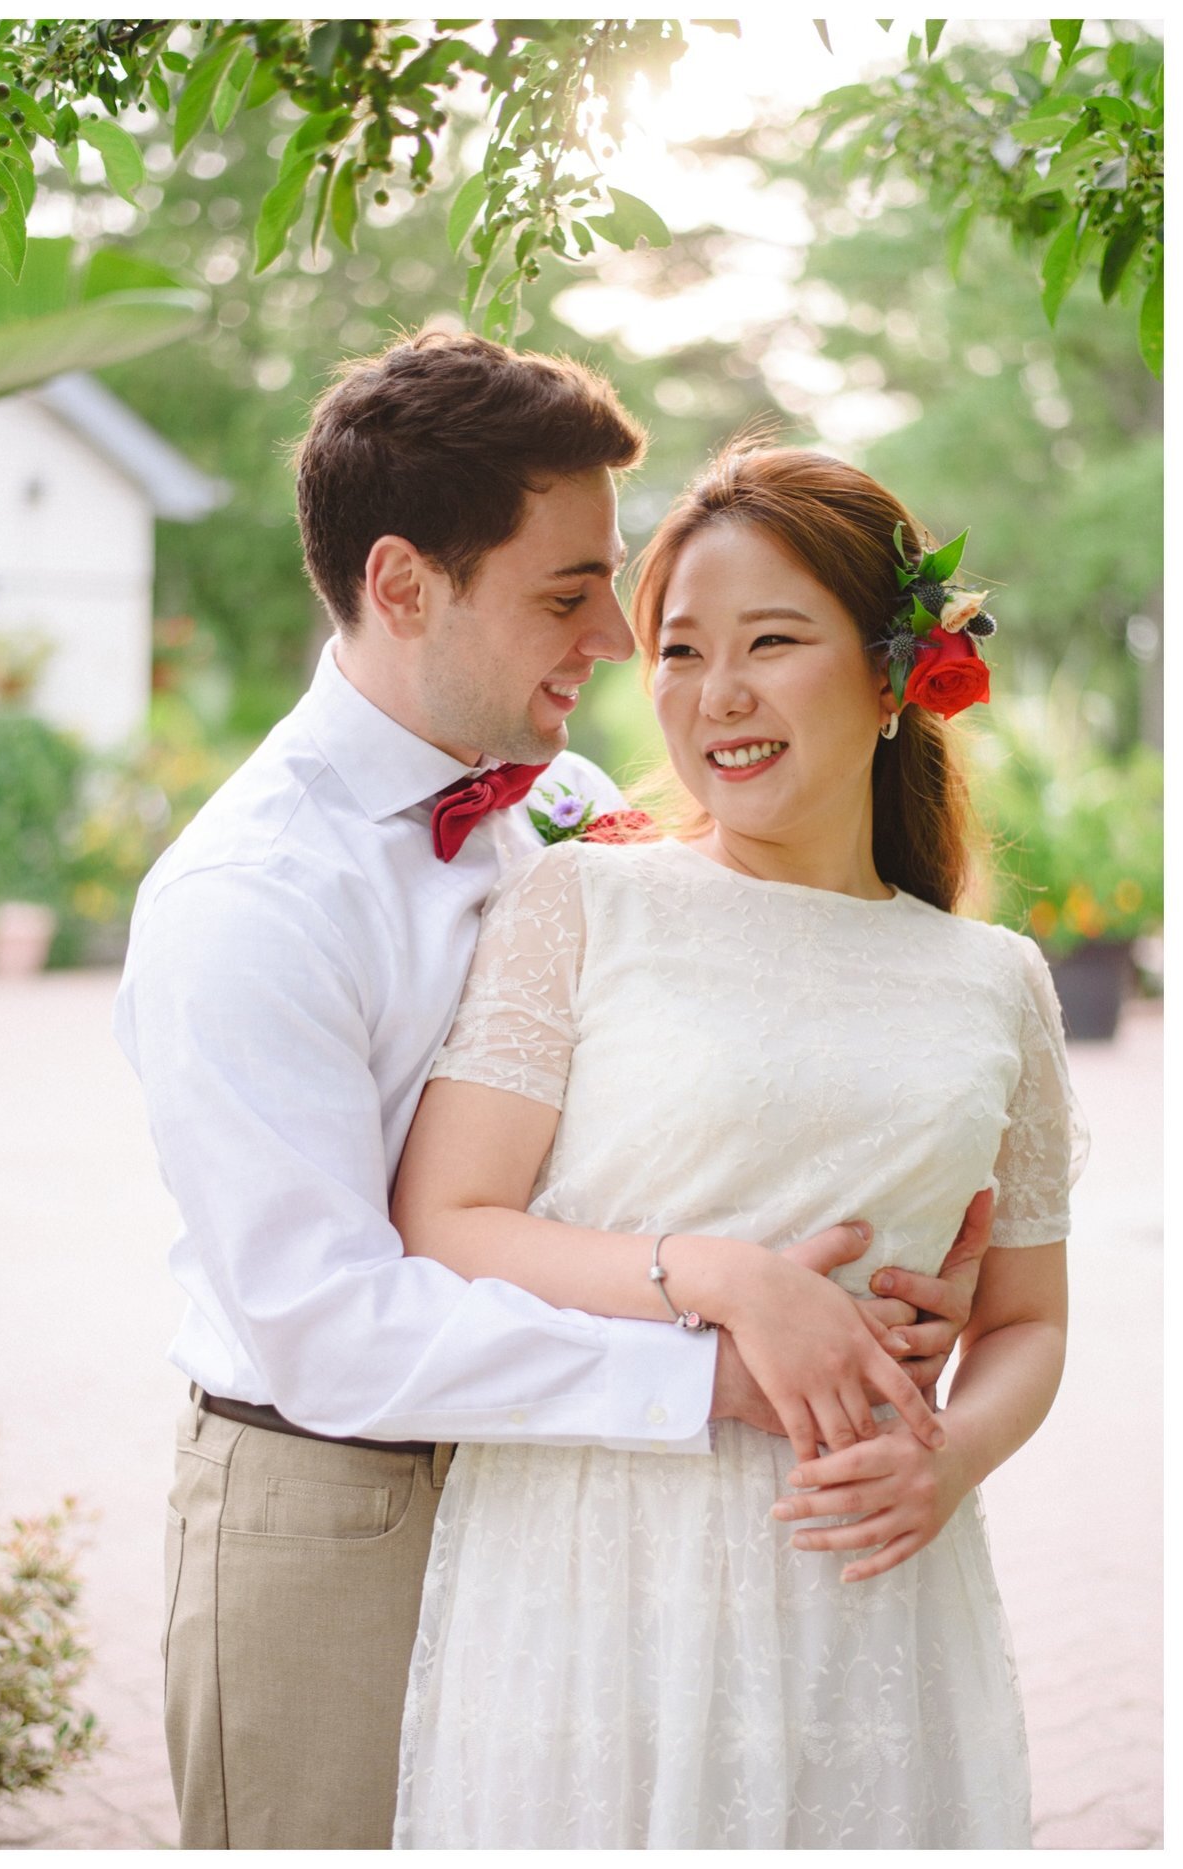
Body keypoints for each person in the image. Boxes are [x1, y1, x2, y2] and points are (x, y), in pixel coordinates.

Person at [113, 333, 990, 1848]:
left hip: (578, 1527)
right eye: (568, 592)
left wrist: (875, 1266)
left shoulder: (573, 814)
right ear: (403, 586)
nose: (610, 638)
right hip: (342, 1507)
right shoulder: (246, 901)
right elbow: (331, 1330)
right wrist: (738, 1358)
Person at [390, 446, 1075, 1846]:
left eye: (772, 643)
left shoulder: (995, 980)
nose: (719, 696)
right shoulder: (585, 905)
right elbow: (447, 1217)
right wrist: (721, 1274)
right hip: (596, 1563)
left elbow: (1027, 1321)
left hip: (865, 1583)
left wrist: (952, 1463)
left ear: (897, 677)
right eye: (682, 650)